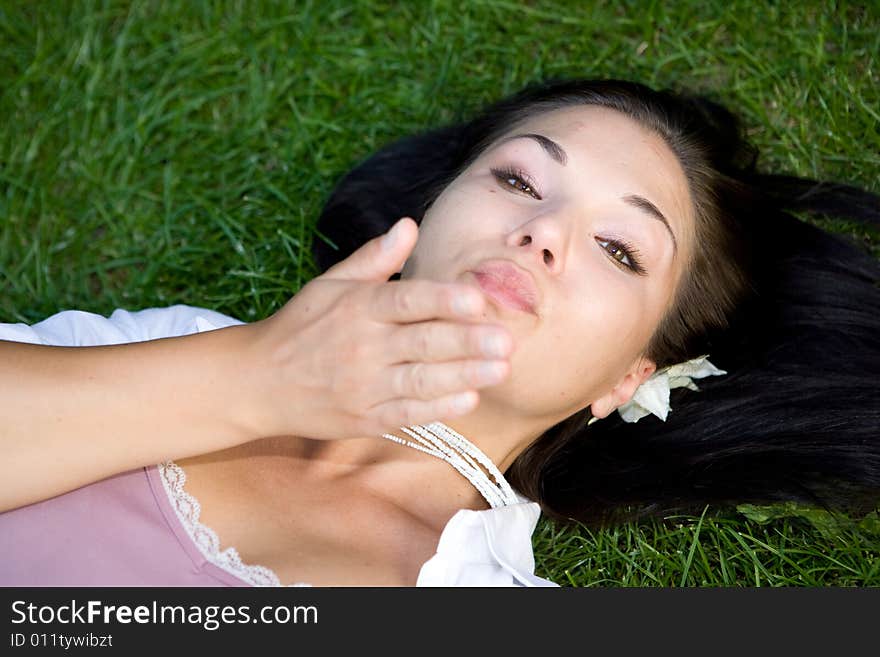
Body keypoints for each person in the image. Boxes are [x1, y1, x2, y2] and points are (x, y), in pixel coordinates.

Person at [1, 79, 878, 587]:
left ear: (628, 379)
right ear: (429, 214)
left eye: (618, 247)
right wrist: (247, 380)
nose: (543, 234)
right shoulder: (173, 339)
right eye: (519, 179)